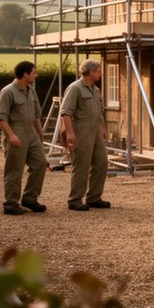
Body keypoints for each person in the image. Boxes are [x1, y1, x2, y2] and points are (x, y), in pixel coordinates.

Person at [0, 60, 47, 216]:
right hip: (16, 131)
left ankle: (30, 198)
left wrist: (40, 132)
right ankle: (10, 203)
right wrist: (11, 135)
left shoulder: (31, 91)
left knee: (41, 163)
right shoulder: (8, 92)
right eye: (34, 73)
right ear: (25, 74)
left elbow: (37, 114)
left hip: (31, 132)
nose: (36, 75)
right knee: (14, 169)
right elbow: (0, 117)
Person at [60, 59, 110, 211]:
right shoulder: (75, 88)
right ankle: (75, 199)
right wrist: (70, 133)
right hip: (81, 130)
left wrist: (103, 128)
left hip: (95, 130)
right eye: (99, 71)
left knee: (102, 162)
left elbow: (99, 112)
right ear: (91, 72)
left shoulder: (95, 89)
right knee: (82, 165)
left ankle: (94, 197)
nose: (101, 74)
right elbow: (65, 113)